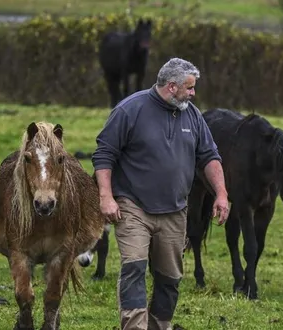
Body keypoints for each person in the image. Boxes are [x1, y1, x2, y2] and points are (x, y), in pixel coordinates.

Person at [91, 57, 230, 330]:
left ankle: (159, 325)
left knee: (170, 277)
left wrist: (221, 193)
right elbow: (104, 154)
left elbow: (209, 156)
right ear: (171, 87)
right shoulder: (130, 110)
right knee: (134, 268)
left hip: (175, 210)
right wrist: (106, 197)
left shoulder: (192, 114)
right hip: (133, 206)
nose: (193, 93)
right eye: (189, 88)